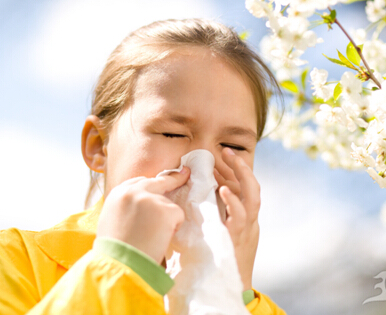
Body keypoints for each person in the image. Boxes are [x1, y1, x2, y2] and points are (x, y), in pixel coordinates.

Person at [0, 19, 286, 314]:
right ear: (99, 145)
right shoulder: (15, 261)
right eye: (172, 134)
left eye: (234, 147)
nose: (203, 166)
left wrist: (228, 294)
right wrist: (121, 265)